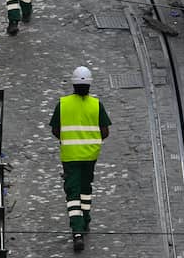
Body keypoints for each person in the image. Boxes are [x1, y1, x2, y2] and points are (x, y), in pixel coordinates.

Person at [49, 66, 111, 252]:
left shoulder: (63, 104)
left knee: (73, 192)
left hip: (70, 156)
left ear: (73, 84)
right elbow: (105, 131)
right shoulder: (96, 104)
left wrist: (67, 139)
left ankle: (77, 231)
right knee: (85, 188)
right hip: (90, 155)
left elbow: (55, 129)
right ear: (90, 85)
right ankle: (85, 220)